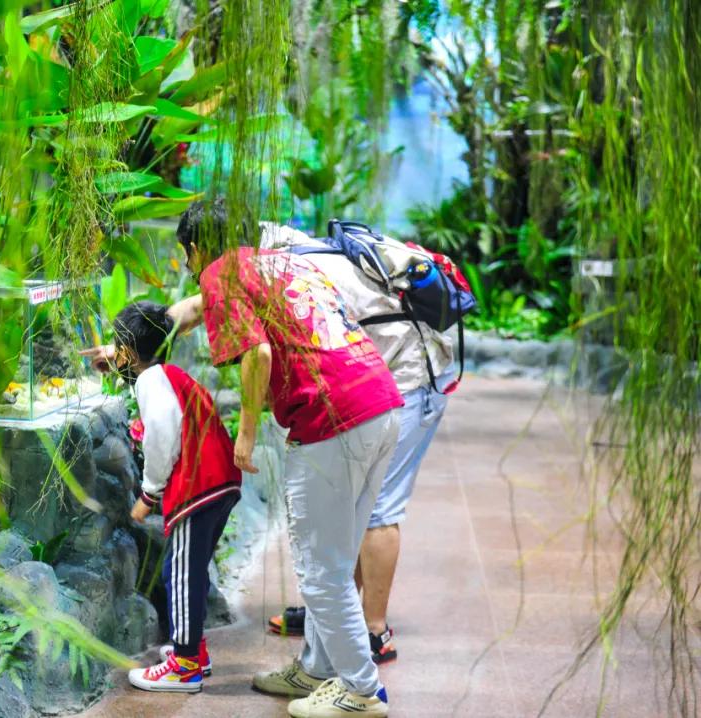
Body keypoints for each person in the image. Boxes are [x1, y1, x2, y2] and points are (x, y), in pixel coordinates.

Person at [182, 199, 402, 718]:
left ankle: (361, 691)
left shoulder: (220, 273)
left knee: (321, 570)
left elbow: (257, 354)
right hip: (378, 401)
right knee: (337, 556)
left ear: (195, 249)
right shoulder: (285, 260)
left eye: (187, 258)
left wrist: (247, 433)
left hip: (334, 419)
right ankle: (318, 668)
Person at [258, 223, 455, 667]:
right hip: (384, 379)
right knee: (355, 505)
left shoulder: (283, 269)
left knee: (380, 509)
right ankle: (335, 616)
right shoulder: (293, 252)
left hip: (410, 379)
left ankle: (374, 631)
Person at [115, 301, 242, 694]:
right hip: (219, 482)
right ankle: (194, 651)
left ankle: (184, 666)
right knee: (191, 570)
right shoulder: (168, 373)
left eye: (116, 344)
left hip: (198, 485)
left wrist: (148, 494)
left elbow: (162, 434)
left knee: (179, 573)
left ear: (128, 351)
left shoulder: (152, 382)